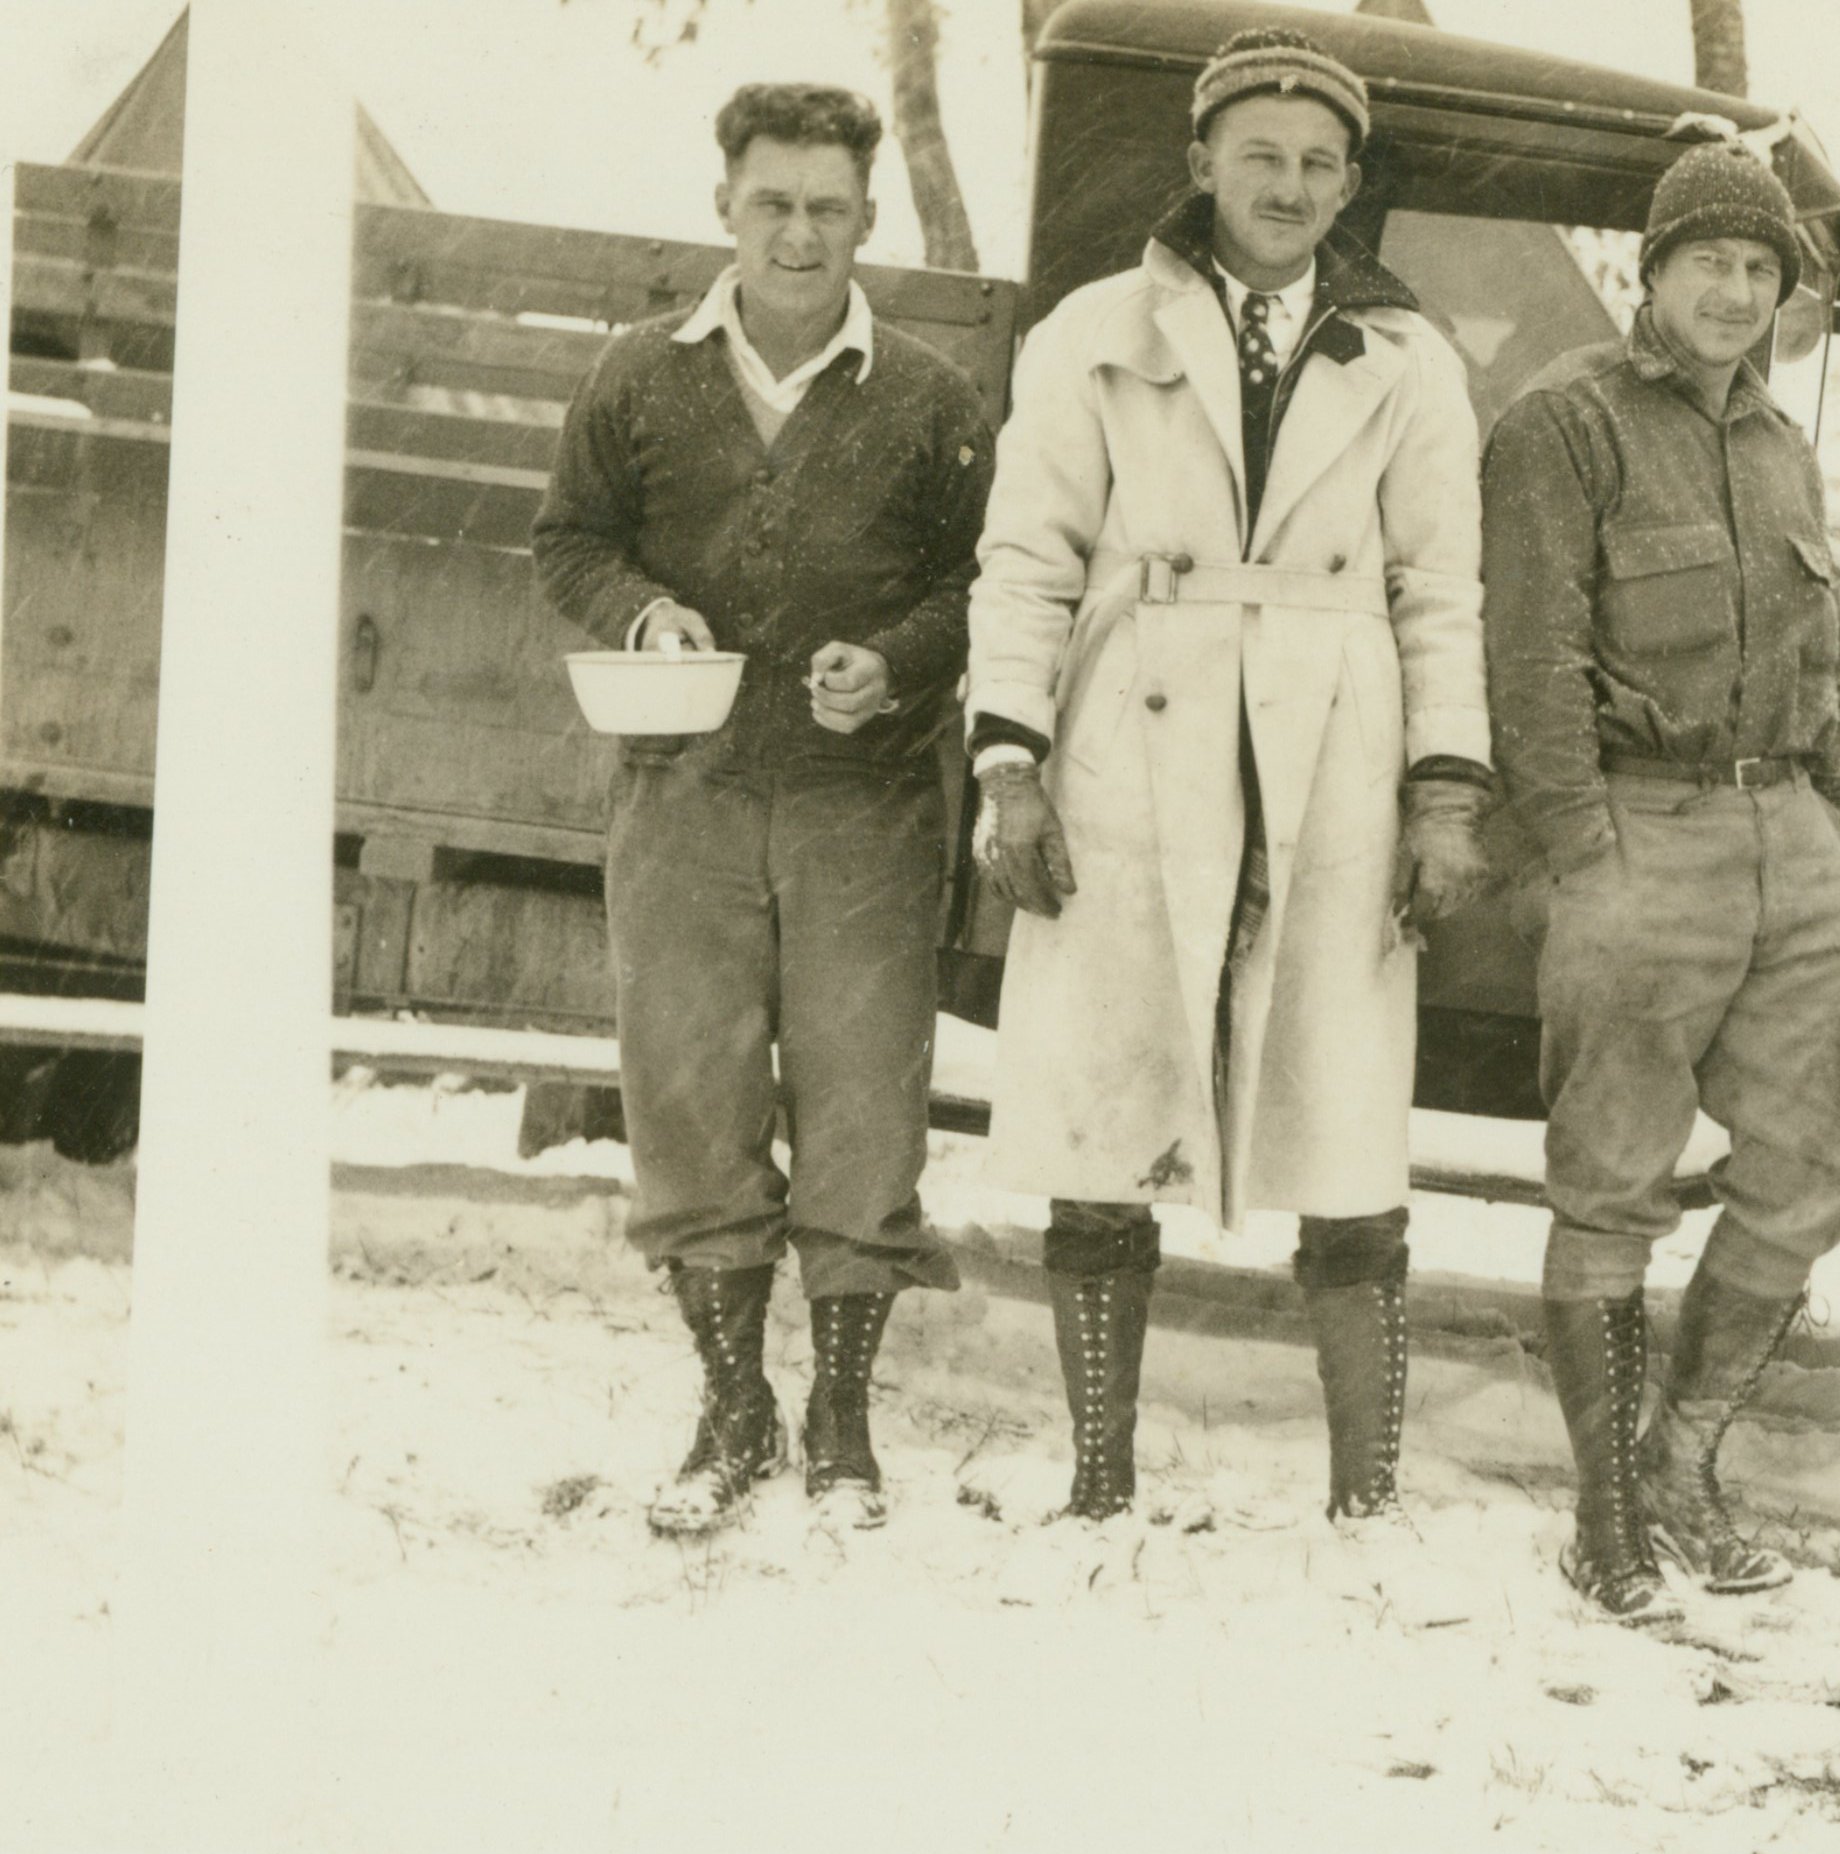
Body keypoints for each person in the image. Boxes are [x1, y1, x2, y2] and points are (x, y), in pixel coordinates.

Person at [963, 28, 1494, 1545]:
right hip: (1135, 743)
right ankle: (1100, 1477)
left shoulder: (1408, 359)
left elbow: (1441, 587)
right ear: (1199, 163)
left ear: (1351, 184)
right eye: (1260, 155)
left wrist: (1445, 791)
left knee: (1342, 1108)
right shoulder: (1091, 332)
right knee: (1110, 1092)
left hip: (1334, 754)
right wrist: (1011, 762)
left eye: (1321, 163)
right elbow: (1028, 555)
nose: (1290, 186)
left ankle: (1365, 1493)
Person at [534, 83, 994, 1535]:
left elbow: (979, 582)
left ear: (870, 217)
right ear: (722, 207)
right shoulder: (636, 375)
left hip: (864, 805)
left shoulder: (926, 398)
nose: (801, 233)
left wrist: (903, 661)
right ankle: (731, 1399)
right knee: (689, 1091)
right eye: (772, 203)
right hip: (684, 793)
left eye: (829, 207)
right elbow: (570, 539)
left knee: (865, 1102)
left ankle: (840, 1414)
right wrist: (644, 605)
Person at [1479, 141, 1840, 1626]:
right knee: (1614, 1182)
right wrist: (1590, 858)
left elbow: (1828, 662)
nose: (1733, 290)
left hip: (1793, 834)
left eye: (1760, 269)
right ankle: (1606, 1517)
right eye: (1707, 261)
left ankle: (1682, 1460)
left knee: (1812, 1172)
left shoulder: (1783, 445)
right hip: (1639, 832)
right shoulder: (1562, 425)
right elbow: (1526, 664)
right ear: (1648, 271)